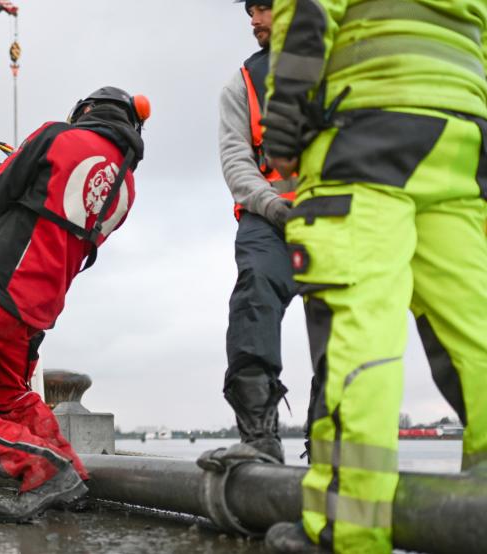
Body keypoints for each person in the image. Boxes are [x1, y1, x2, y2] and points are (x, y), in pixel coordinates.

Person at [260, 1, 487, 552]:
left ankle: (349, 530)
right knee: (475, 330)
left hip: (362, 136)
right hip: (462, 139)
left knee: (359, 337)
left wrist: (283, 134)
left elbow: (308, 13)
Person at [0, 86, 149, 523]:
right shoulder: (126, 186)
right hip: (42, 304)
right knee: (10, 395)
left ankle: (42, 471)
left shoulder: (57, 135)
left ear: (86, 110)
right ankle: (71, 478)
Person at [217, 0, 297, 463]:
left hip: (336, 216)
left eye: (264, 7)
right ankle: (259, 436)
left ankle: (333, 441)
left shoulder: (341, 64)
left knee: (341, 324)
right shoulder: (241, 83)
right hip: (267, 218)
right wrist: (273, 206)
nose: (254, 19)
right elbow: (236, 161)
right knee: (254, 295)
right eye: (250, 10)